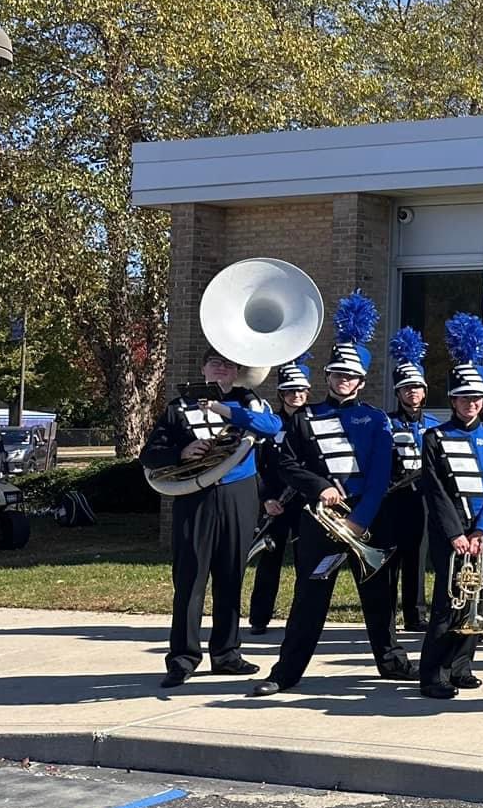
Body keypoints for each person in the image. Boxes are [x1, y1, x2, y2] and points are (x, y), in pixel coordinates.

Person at [252, 293, 409, 696]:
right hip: (320, 519)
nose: (343, 381)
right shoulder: (305, 418)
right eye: (337, 374)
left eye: (349, 376)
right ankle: (286, 673)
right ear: (327, 377)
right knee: (310, 596)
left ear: (360, 381)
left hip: (367, 518)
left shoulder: (375, 419)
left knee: (378, 597)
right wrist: (319, 487)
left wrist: (362, 518)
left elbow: (378, 475)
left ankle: (392, 662)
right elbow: (285, 463)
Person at [139, 346, 283, 687]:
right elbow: (150, 456)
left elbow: (271, 426)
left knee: (231, 575)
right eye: (215, 363)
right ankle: (182, 658)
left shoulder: (249, 402)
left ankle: (227, 654)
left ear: (237, 372)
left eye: (229, 365)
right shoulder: (179, 408)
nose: (221, 369)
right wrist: (182, 452)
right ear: (203, 368)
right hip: (195, 497)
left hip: (239, 495)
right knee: (189, 579)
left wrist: (221, 408)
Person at [415, 315, 483, 701]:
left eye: (475, 399)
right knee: (447, 602)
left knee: (477, 599)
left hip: (480, 533)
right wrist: (456, 532)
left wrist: (482, 531)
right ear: (452, 401)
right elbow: (435, 489)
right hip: (450, 534)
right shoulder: (435, 437)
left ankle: (461, 666)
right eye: (462, 398)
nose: (469, 404)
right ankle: (433, 673)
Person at [247, 358, 314, 634]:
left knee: (305, 562)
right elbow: (256, 467)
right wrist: (266, 499)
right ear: (281, 394)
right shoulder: (269, 426)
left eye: (300, 391)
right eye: (289, 391)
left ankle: (301, 619)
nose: (295, 396)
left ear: (307, 392)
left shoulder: (315, 424)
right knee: (269, 562)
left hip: (306, 504)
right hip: (275, 503)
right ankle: (259, 618)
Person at [381, 328, 436, 633]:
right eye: (406, 388)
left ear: (424, 391)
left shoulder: (434, 426)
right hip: (394, 498)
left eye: (417, 388)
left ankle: (415, 614)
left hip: (422, 499)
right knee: (392, 555)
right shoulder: (385, 423)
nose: (412, 393)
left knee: (417, 555)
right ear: (398, 393)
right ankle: (386, 613)